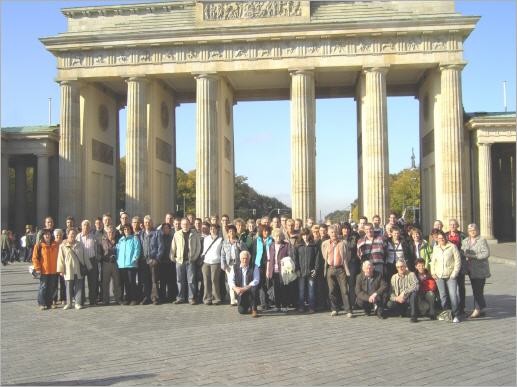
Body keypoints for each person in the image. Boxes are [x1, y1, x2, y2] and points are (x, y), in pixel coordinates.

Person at [430, 230, 462, 323]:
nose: (441, 239)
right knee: (443, 296)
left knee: (453, 295)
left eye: (443, 238)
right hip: (439, 275)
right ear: (437, 239)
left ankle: (456, 314)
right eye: (439, 238)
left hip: (450, 275)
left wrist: (454, 274)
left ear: (446, 238)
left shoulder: (452, 247)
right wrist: (433, 273)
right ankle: (447, 314)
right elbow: (433, 262)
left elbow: (458, 261)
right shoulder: (436, 248)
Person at [321, 225, 352, 317]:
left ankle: (348, 310)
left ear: (338, 233)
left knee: (344, 290)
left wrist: (344, 263)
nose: (334, 234)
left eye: (335, 232)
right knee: (331, 290)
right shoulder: (325, 243)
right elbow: (324, 255)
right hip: (330, 268)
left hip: (341, 269)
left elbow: (348, 255)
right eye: (332, 232)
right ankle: (334, 309)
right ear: (328, 233)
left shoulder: (343, 243)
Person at [57, 228, 92, 310]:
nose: (72, 235)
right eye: (71, 234)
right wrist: (61, 270)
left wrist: (89, 266)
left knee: (79, 287)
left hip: (78, 269)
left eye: (74, 234)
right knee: (68, 287)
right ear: (67, 235)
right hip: (68, 270)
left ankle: (78, 303)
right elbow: (60, 258)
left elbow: (85, 256)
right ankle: (69, 303)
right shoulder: (63, 246)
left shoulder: (80, 244)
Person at [461, 223, 490, 319]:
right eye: (470, 230)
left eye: (474, 230)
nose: (472, 232)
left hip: (480, 269)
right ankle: (480, 308)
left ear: (477, 230)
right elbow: (462, 251)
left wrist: (473, 256)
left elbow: (486, 254)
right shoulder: (465, 241)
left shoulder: (482, 240)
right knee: (475, 290)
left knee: (478, 290)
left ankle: (477, 309)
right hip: (470, 270)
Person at [170, 218, 201, 305]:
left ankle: (191, 298)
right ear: (181, 225)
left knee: (191, 281)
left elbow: (198, 247)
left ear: (190, 225)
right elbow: (173, 247)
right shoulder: (177, 234)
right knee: (179, 280)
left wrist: (194, 257)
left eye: (187, 224)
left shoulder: (194, 234)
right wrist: (173, 257)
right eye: (183, 224)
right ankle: (180, 297)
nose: (185, 226)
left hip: (190, 260)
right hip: (179, 261)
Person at [293, 228, 321, 313]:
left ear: (309, 235)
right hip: (301, 272)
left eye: (306, 234)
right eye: (303, 235)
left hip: (310, 271)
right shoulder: (298, 245)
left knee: (311, 290)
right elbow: (295, 259)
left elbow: (317, 258)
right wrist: (297, 270)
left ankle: (311, 307)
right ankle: (301, 306)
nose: (305, 236)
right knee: (301, 290)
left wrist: (315, 269)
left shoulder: (314, 245)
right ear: (301, 236)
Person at [32, 228, 59, 310]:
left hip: (53, 270)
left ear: (51, 236)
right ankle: (41, 303)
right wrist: (37, 268)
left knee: (51, 288)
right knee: (43, 287)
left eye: (49, 234)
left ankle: (49, 303)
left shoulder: (55, 244)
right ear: (43, 236)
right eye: (45, 234)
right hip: (43, 270)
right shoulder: (39, 245)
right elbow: (35, 258)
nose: (47, 236)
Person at [445, 219, 467, 317]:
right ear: (449, 226)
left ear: (457, 225)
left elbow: (466, 247)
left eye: (454, 224)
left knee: (461, 287)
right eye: (451, 224)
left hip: (460, 263)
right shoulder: (445, 235)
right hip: (449, 264)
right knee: (450, 287)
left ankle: (462, 307)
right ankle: (451, 307)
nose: (453, 226)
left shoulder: (462, 235)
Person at [221, 224, 247, 306]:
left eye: (233, 231)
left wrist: (238, 244)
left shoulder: (240, 241)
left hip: (238, 264)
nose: (231, 233)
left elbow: (245, 252)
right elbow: (222, 255)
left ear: (235, 232)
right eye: (229, 231)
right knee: (230, 282)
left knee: (239, 281)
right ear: (228, 233)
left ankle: (240, 298)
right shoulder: (225, 242)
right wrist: (223, 265)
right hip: (229, 265)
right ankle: (232, 299)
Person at [229, 250, 259, 317]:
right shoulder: (234, 267)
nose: (245, 260)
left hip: (249, 288)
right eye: (243, 258)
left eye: (246, 258)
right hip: (240, 290)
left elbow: (256, 280)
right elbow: (230, 280)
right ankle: (248, 307)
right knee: (241, 311)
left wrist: (245, 288)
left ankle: (254, 309)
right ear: (240, 259)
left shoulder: (254, 266)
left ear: (249, 259)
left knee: (254, 288)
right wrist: (235, 288)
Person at [77, 220, 100, 306]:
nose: (86, 227)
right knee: (81, 282)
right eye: (84, 225)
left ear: (90, 227)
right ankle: (81, 300)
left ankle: (92, 300)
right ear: (81, 226)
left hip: (92, 260)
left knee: (92, 282)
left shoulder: (93, 237)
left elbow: (97, 248)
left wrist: (97, 259)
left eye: (87, 225)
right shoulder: (77, 237)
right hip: (82, 261)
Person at [116, 224, 141, 305]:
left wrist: (134, 259)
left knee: (132, 282)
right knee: (126, 283)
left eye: (128, 229)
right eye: (125, 229)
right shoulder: (121, 240)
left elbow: (137, 249)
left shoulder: (134, 238)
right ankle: (128, 298)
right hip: (122, 265)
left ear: (131, 229)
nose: (126, 231)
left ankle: (134, 298)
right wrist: (118, 261)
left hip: (131, 265)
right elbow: (118, 251)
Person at [267, 228, 290, 312]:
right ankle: (277, 305)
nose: (278, 238)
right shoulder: (271, 246)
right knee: (276, 288)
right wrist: (268, 270)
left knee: (283, 288)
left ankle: (284, 305)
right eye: (276, 236)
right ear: (273, 237)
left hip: (283, 270)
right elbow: (269, 259)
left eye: (279, 236)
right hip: (274, 270)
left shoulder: (286, 245)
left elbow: (289, 256)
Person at [139, 215, 161, 305]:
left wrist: (156, 259)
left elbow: (161, 247)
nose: (147, 224)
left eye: (149, 222)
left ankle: (154, 297)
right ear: (144, 224)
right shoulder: (142, 234)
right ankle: (146, 297)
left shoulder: (157, 233)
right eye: (146, 222)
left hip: (153, 260)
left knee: (154, 280)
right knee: (145, 280)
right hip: (144, 260)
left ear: (152, 223)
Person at [201, 223, 223, 305]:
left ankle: (216, 298)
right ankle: (207, 298)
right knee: (206, 281)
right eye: (211, 229)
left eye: (214, 229)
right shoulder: (206, 239)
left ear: (217, 230)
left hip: (216, 262)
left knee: (214, 280)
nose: (212, 230)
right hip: (206, 262)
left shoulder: (221, 239)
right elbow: (204, 250)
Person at [252, 224, 273, 310]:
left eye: (268, 231)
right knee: (260, 284)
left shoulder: (272, 241)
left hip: (268, 264)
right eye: (264, 231)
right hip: (259, 265)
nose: (266, 232)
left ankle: (267, 302)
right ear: (261, 231)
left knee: (267, 284)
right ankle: (262, 303)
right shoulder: (256, 241)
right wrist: (253, 265)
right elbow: (254, 253)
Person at [100, 225, 122, 305]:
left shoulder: (119, 240)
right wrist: (104, 258)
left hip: (116, 263)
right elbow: (100, 252)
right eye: (109, 232)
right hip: (106, 263)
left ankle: (117, 299)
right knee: (105, 283)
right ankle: (106, 300)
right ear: (107, 233)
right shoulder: (103, 241)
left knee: (117, 282)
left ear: (115, 233)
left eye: (112, 232)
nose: (111, 234)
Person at [341, 222, 360, 309]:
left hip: (352, 262)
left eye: (348, 229)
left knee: (351, 284)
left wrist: (344, 242)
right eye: (344, 228)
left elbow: (352, 246)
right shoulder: (339, 237)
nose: (346, 230)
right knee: (342, 284)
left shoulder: (354, 237)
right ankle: (344, 303)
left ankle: (352, 303)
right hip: (341, 263)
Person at [158, 223, 176, 303]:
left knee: (170, 281)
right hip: (162, 262)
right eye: (164, 228)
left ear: (170, 229)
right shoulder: (160, 237)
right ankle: (162, 296)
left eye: (167, 228)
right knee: (162, 281)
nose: (165, 229)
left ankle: (170, 296)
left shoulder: (172, 238)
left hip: (170, 262)